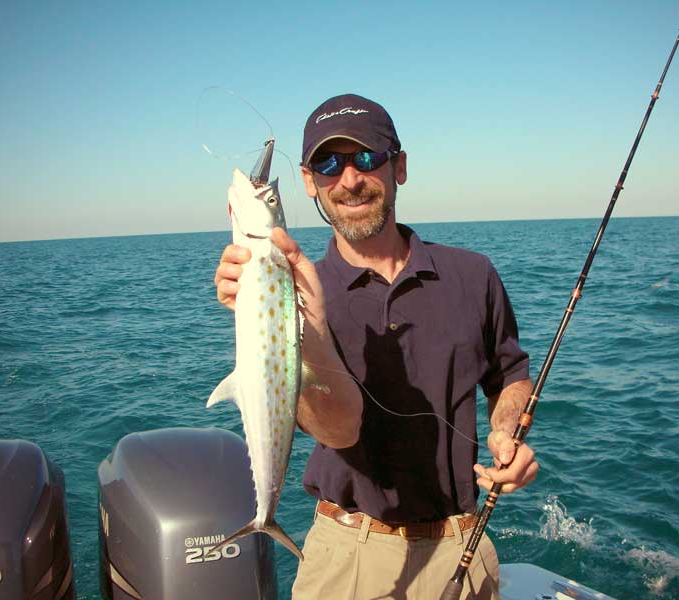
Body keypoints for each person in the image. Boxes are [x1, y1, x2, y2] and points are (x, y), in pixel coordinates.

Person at [215, 93, 538, 600]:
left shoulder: (473, 275)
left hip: (464, 548)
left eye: (367, 157)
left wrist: (506, 432)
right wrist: (305, 326)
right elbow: (337, 431)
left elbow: (510, 377)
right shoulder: (296, 298)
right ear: (307, 182)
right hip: (347, 559)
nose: (349, 180)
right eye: (328, 163)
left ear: (399, 167)